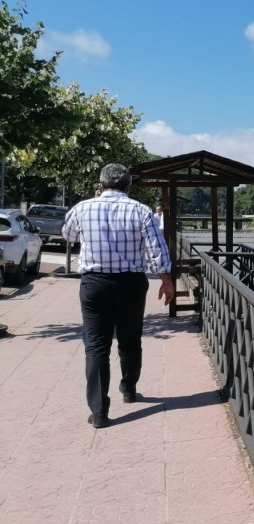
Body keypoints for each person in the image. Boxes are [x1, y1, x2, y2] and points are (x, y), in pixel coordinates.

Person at [62, 164, 175, 429]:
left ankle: (99, 411)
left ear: (100, 185)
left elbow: (68, 235)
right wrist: (166, 281)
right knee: (130, 338)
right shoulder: (141, 211)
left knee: (96, 345)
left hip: (95, 283)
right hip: (130, 283)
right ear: (129, 185)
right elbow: (157, 249)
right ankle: (129, 388)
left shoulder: (82, 208)